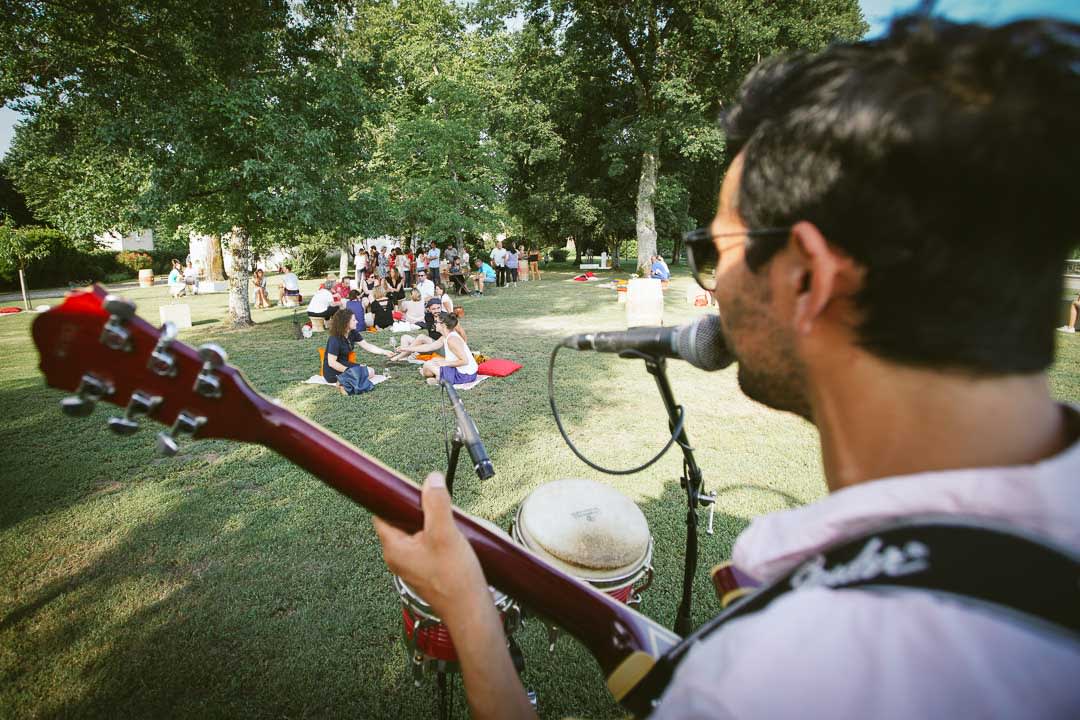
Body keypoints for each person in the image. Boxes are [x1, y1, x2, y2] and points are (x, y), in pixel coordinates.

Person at [374, 15, 1080, 720]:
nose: (711, 291)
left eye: (716, 252)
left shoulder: (780, 676)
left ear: (806, 279)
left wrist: (467, 607)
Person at [323, 309, 379, 396]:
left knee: (370, 371)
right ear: (345, 323)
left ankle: (345, 382)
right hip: (333, 371)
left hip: (345, 365)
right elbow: (332, 363)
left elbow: (367, 346)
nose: (357, 321)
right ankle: (344, 383)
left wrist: (385, 352)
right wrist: (350, 371)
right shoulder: (334, 338)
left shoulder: (352, 333)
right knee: (367, 371)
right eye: (353, 320)